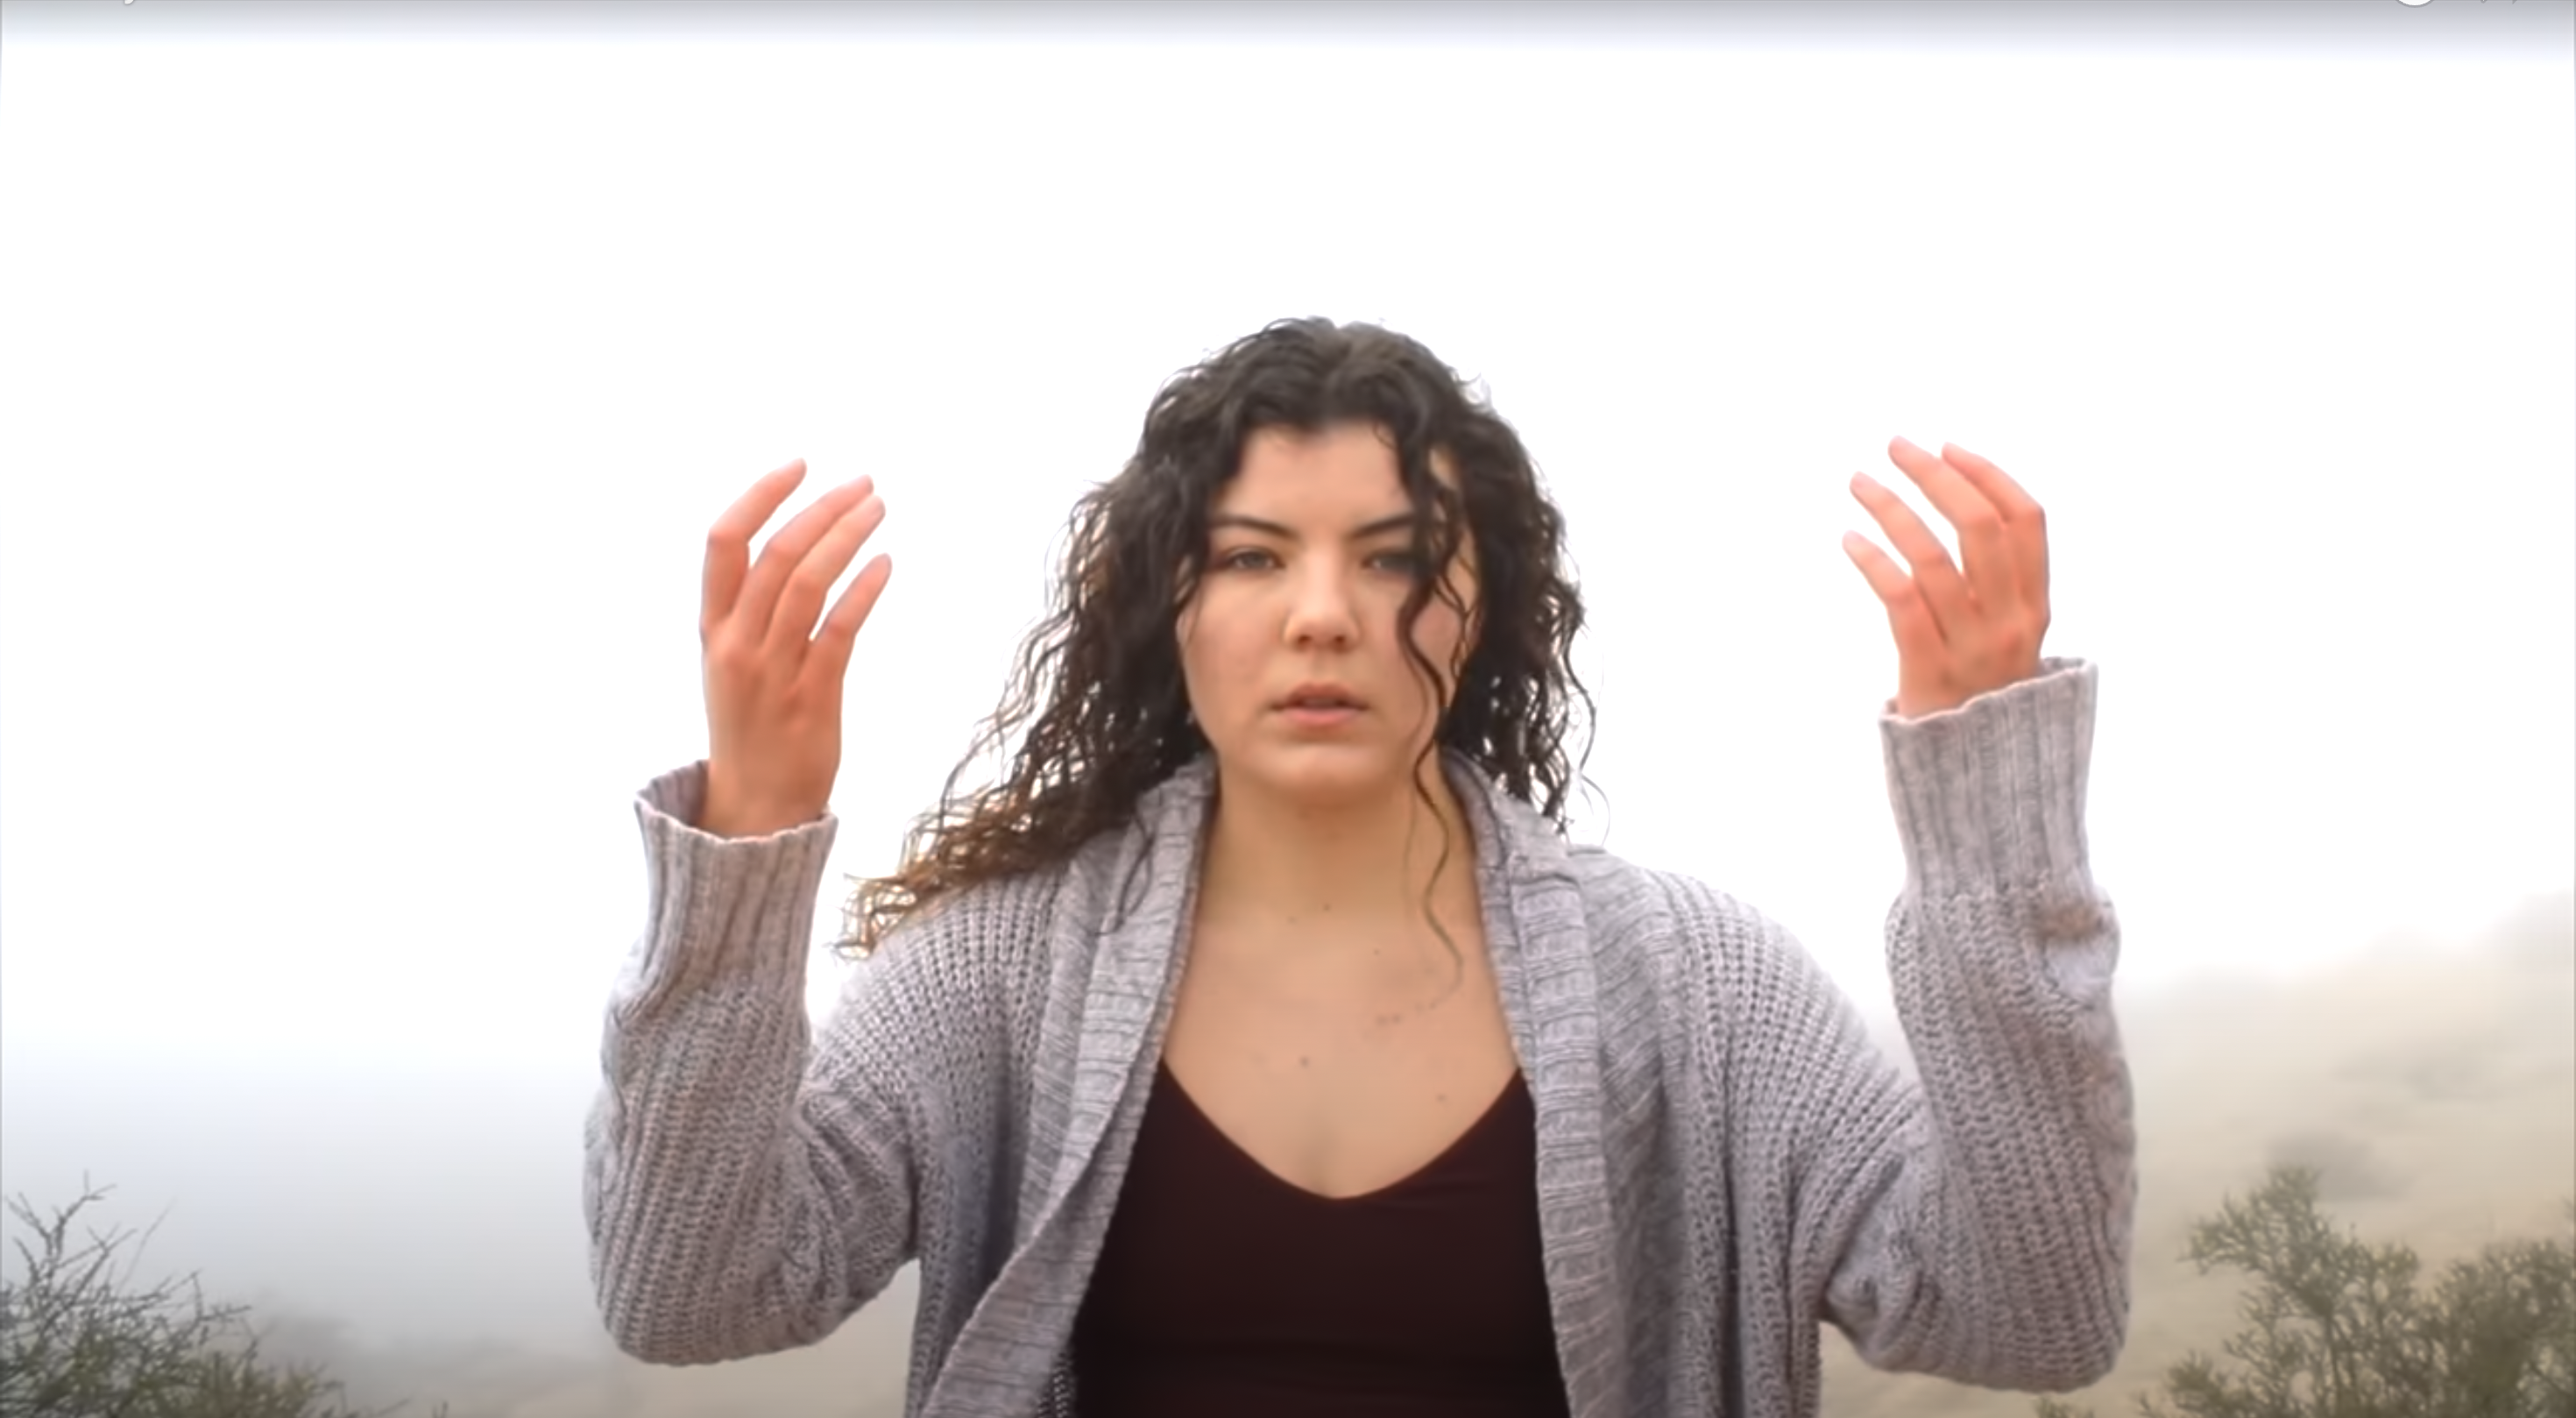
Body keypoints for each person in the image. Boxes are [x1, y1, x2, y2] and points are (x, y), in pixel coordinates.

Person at [582, 318, 2135, 1418]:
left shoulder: (1698, 983)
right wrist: (748, 839)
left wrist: (1986, 820)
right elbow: (694, 1289)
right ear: (1165, 606)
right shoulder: (1003, 969)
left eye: (1394, 556)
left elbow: (2029, 1312)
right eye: (1254, 554)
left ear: (1484, 608)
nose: (1322, 613)